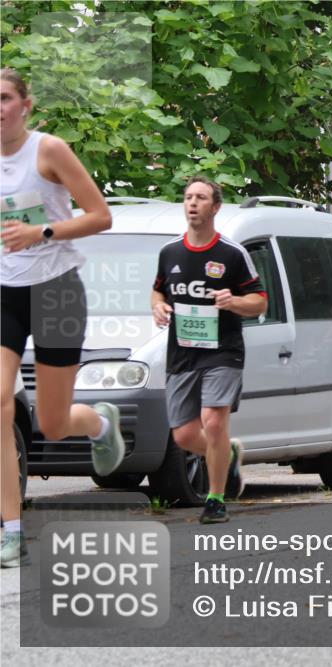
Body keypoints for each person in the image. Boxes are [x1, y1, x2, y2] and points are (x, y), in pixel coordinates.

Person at [1, 68, 125, 567]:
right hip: (5, 293)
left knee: (52, 425)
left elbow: (101, 216)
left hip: (56, 291)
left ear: (25, 105)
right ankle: (11, 530)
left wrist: (42, 233)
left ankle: (98, 422)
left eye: (5, 98)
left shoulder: (48, 150)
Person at [151, 177, 266, 523]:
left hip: (223, 352)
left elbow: (260, 302)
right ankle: (226, 455)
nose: (192, 203)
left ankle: (215, 500)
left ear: (215, 207)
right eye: (188, 197)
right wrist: (157, 306)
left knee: (213, 422)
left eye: (200, 197)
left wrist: (234, 301)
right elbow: (158, 290)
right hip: (182, 353)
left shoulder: (231, 253)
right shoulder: (170, 252)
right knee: (184, 435)